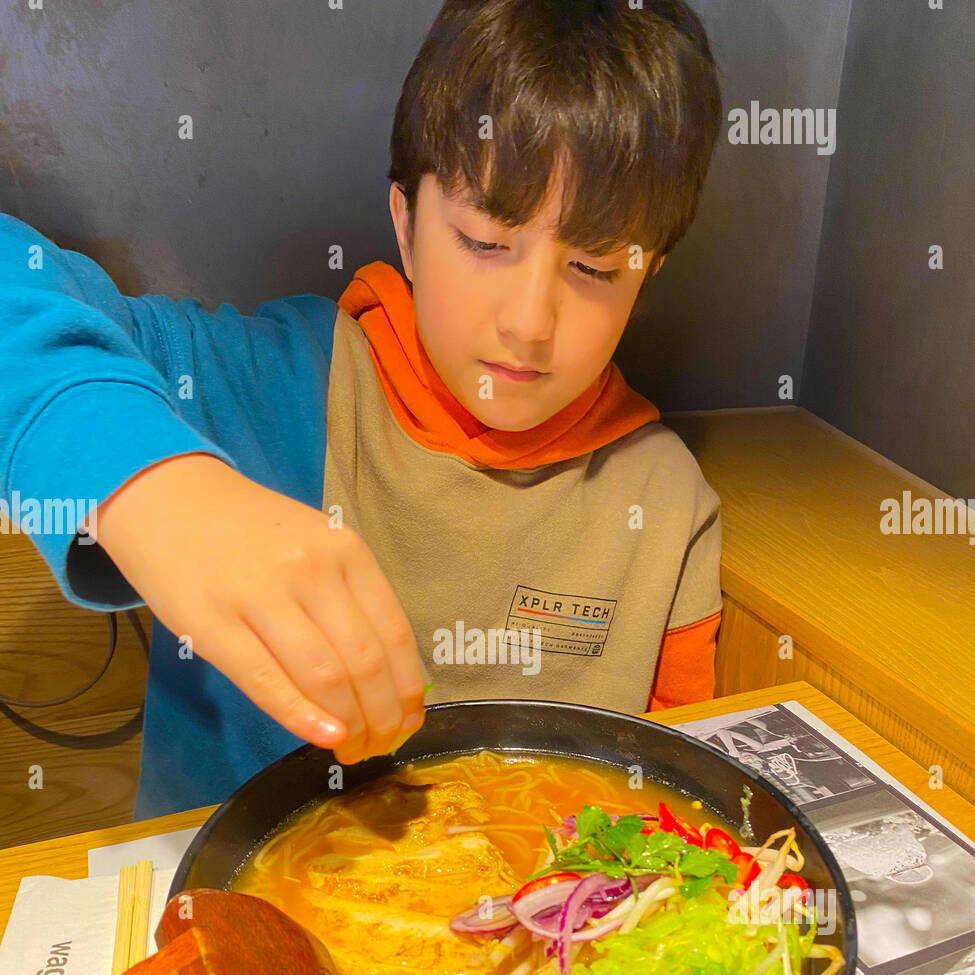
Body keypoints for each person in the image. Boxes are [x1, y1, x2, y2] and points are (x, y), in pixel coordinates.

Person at [0, 0, 724, 820]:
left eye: (594, 268)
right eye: (486, 243)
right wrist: (156, 486)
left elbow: (677, 807)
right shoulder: (261, 384)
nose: (529, 322)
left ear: (647, 274)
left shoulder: (664, 507)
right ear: (407, 227)